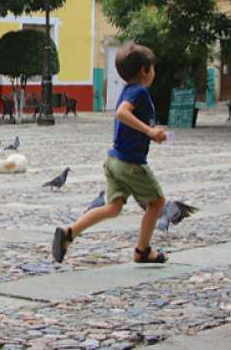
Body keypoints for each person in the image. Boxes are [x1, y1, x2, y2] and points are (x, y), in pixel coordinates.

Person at [51, 42, 169, 264]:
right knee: (157, 203)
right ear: (144, 71)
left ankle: (69, 233)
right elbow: (122, 113)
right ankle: (142, 250)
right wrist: (150, 131)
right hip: (130, 164)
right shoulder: (140, 92)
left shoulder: (128, 90)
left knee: (113, 208)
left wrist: (152, 132)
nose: (154, 72)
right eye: (152, 68)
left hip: (114, 160)